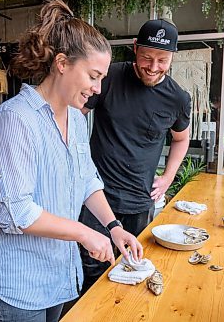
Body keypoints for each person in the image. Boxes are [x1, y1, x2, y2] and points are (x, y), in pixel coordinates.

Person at [0, 0, 143, 322]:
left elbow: (87, 179)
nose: (98, 88)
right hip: (16, 285)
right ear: (62, 63)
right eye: (93, 76)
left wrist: (113, 227)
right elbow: (17, 212)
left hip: (56, 277)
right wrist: (82, 232)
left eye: (102, 78)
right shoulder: (16, 120)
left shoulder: (77, 119)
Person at [79, 18, 191, 293]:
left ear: (172, 58)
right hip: (96, 196)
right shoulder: (110, 78)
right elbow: (75, 114)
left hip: (140, 199)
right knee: (92, 265)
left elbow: (181, 138)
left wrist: (168, 177)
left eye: (162, 60)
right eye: (147, 58)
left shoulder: (178, 98)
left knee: (133, 265)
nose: (153, 67)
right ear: (134, 49)